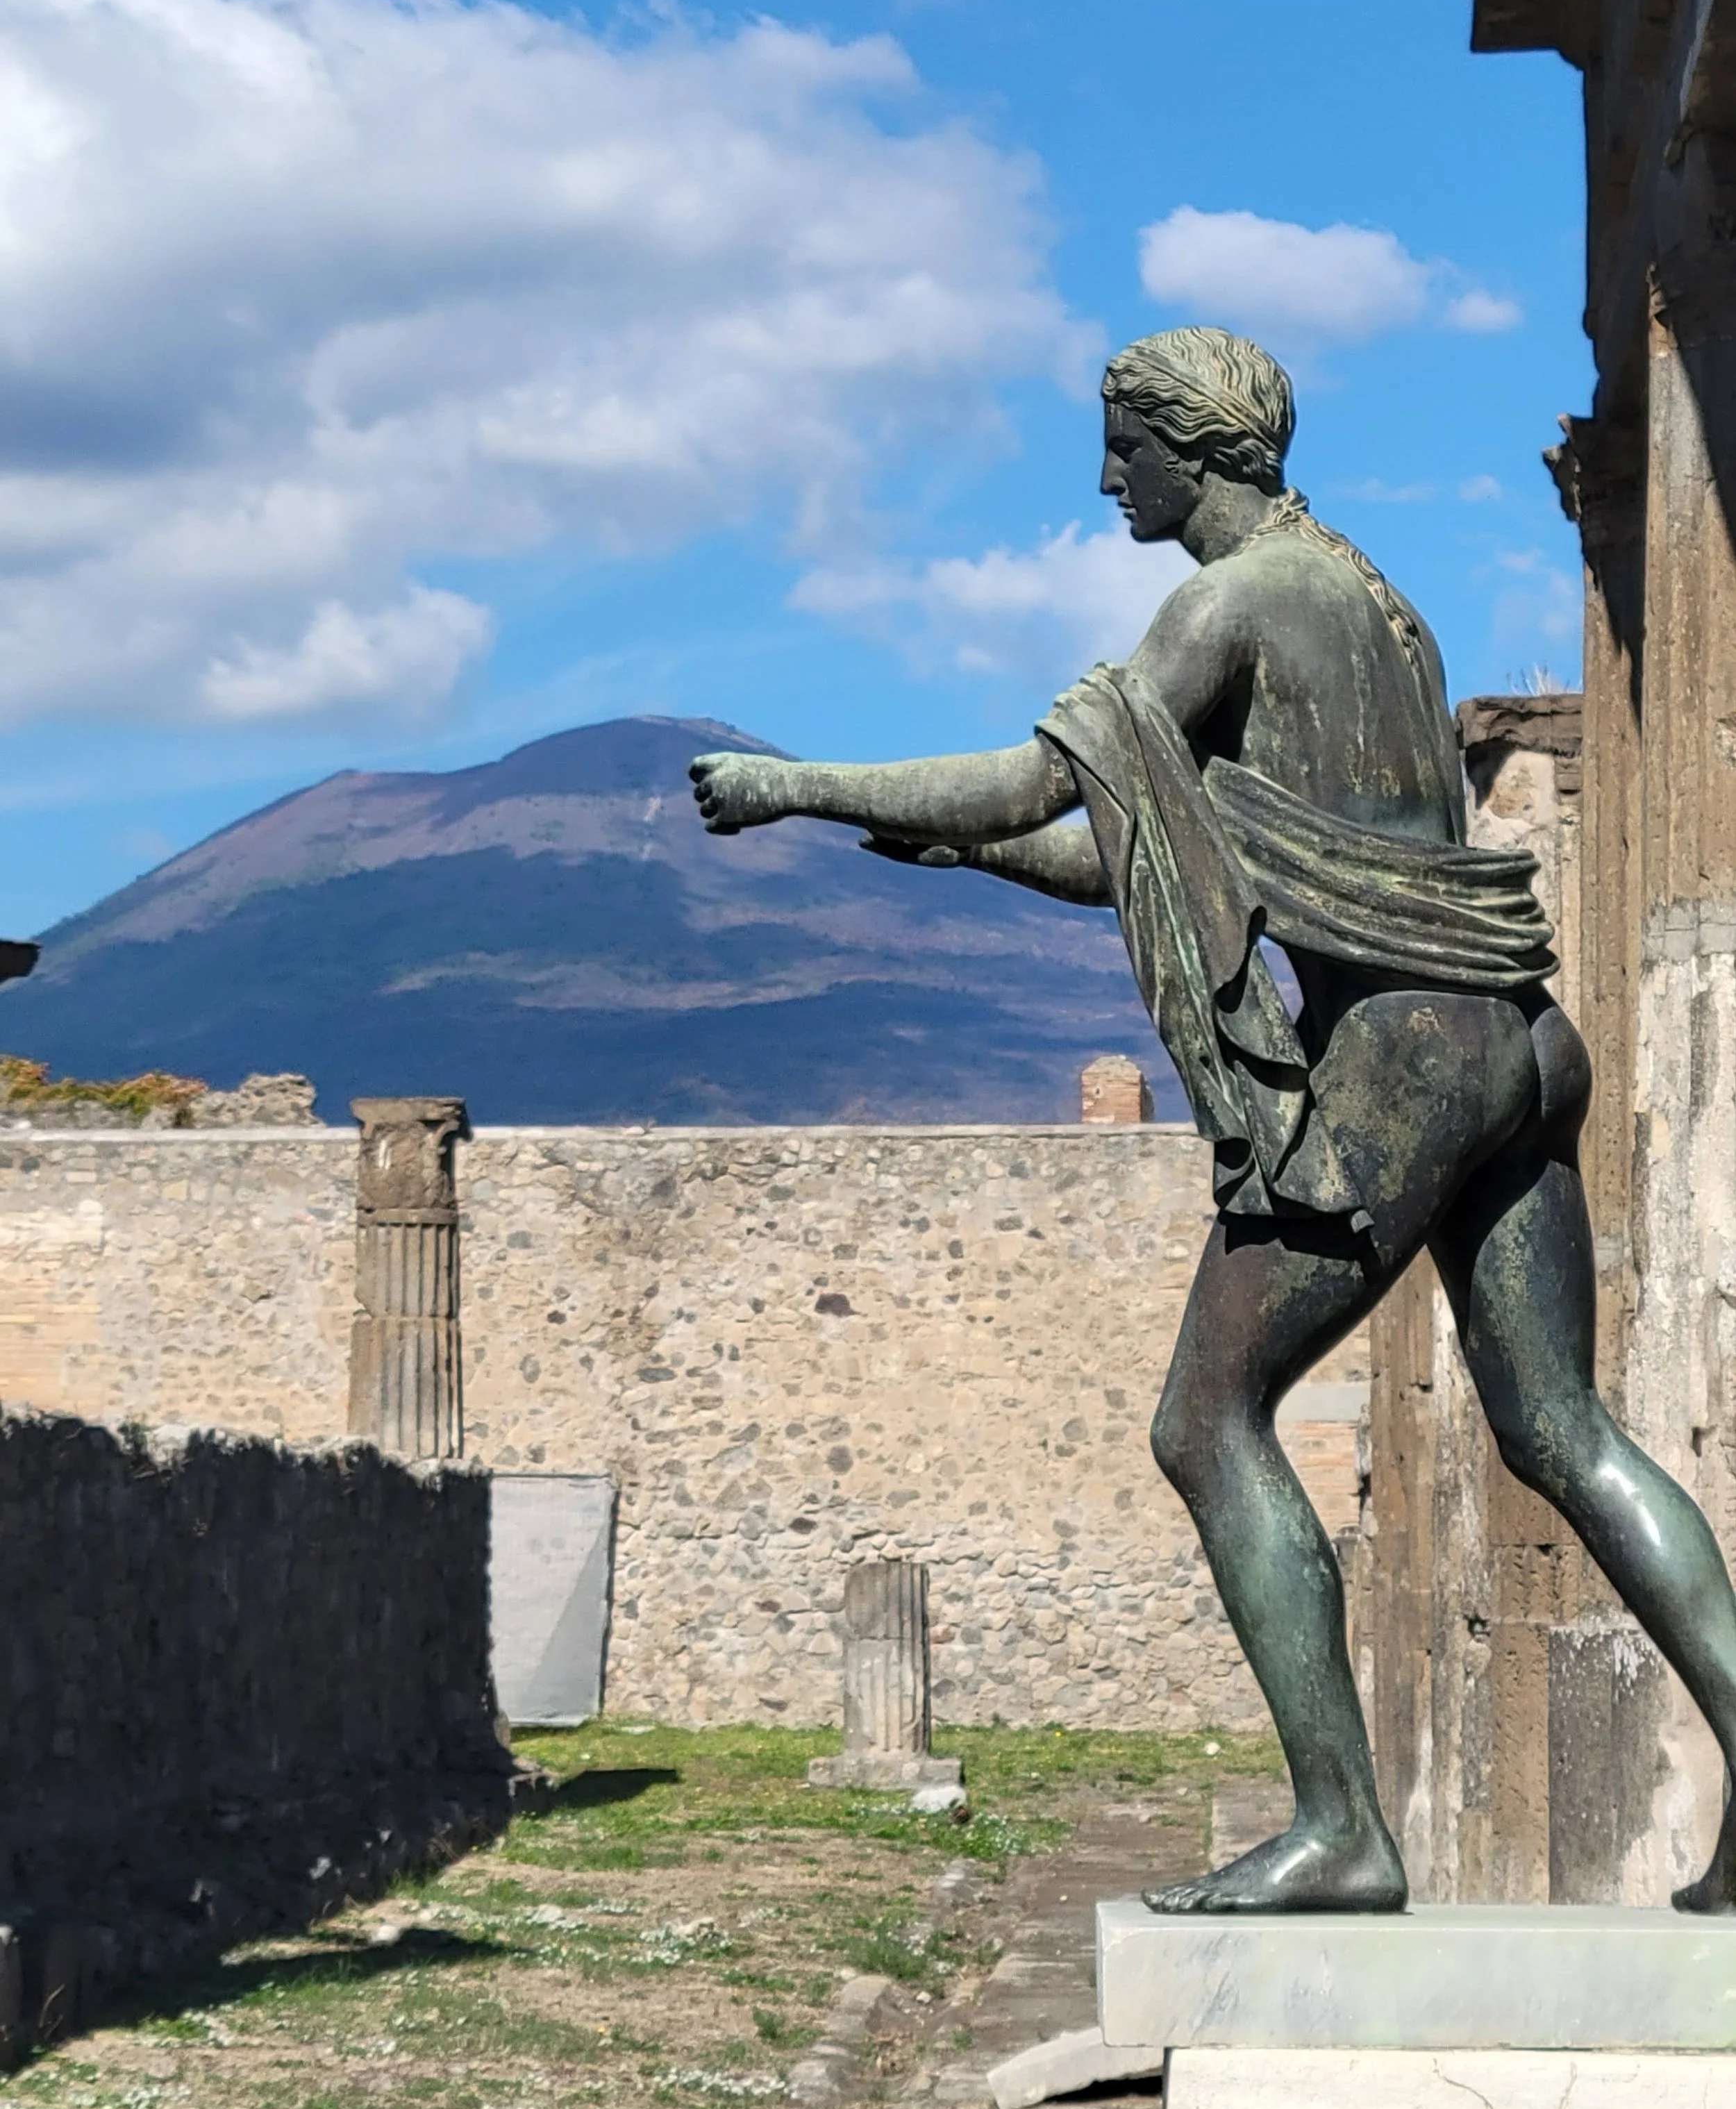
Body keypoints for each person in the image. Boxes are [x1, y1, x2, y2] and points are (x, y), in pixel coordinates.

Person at [691, 324, 1736, 1913]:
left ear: (1200, 444)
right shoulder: (1377, 604)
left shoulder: (1229, 602)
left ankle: (1339, 1826)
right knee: (1558, 1429)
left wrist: (802, 785)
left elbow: (1024, 786)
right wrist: (958, 856)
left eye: (1127, 444)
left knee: (1204, 1418)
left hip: (1400, 1056)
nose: (1109, 476)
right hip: (1517, 1036)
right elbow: (1156, 852)